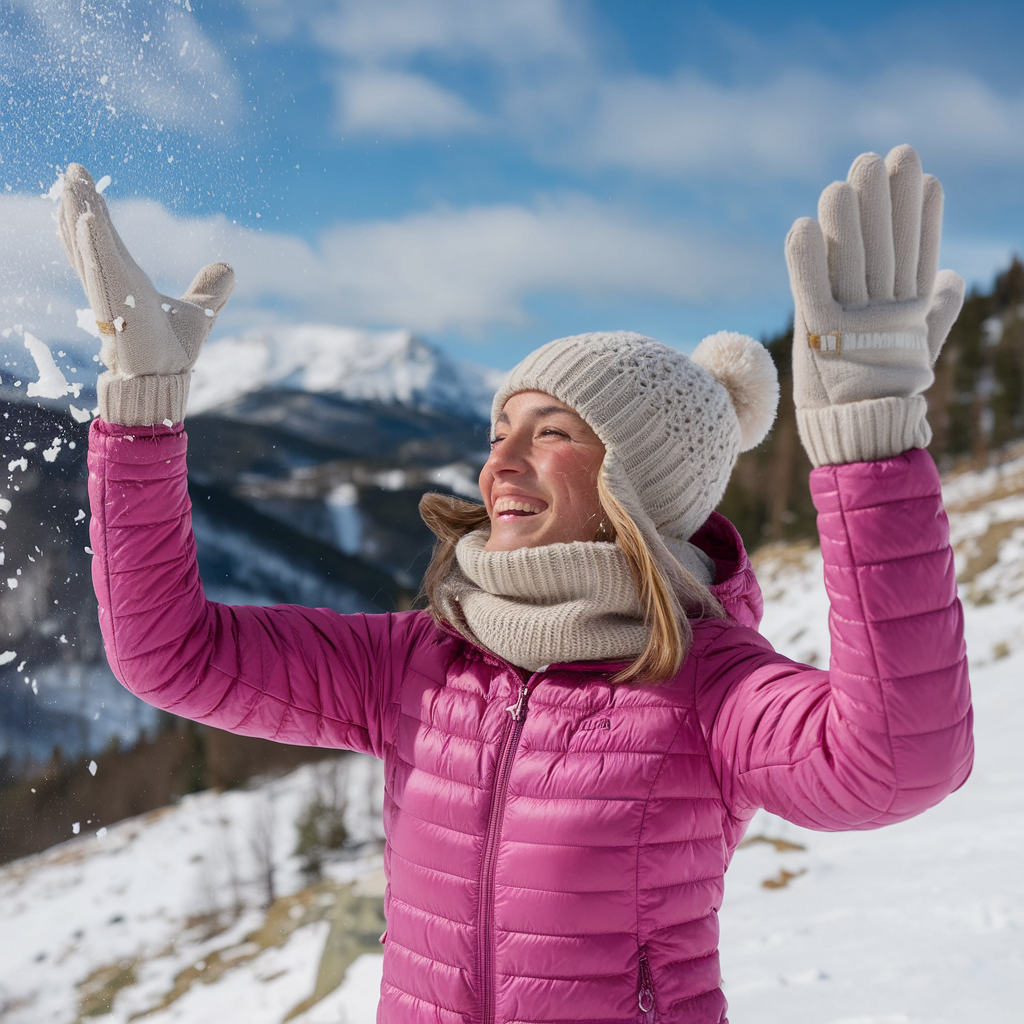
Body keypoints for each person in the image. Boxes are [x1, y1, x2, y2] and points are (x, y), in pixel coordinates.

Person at [59, 144, 972, 1024]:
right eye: (499, 429)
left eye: (551, 432)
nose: (500, 460)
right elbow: (168, 654)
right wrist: (141, 411)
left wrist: (871, 448)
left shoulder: (708, 684)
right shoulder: (419, 662)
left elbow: (893, 763)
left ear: (637, 484)